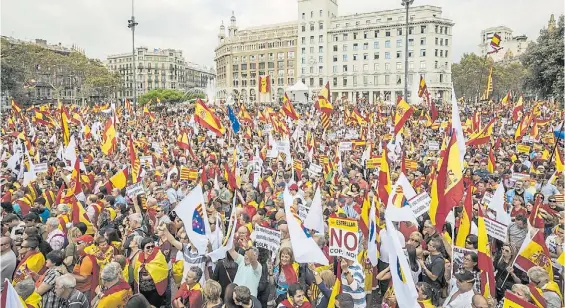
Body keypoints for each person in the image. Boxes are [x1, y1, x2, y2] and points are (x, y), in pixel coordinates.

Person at [133, 237, 169, 307]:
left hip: (154, 290)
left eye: (152, 246)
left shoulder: (159, 255)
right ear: (143, 249)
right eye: (148, 247)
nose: (151, 249)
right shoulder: (139, 256)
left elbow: (163, 270)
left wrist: (151, 276)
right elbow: (135, 269)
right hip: (142, 291)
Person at [418, 237, 445, 306]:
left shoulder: (438, 261)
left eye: (430, 245)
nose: (427, 245)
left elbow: (434, 277)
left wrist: (423, 266)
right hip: (426, 284)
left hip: (432, 289)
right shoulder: (431, 253)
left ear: (435, 248)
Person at [72, 234, 98, 302]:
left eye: (78, 243)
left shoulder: (87, 258)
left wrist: (67, 274)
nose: (76, 245)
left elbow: (84, 278)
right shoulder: (82, 255)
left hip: (85, 290)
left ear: (86, 244)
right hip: (82, 289)